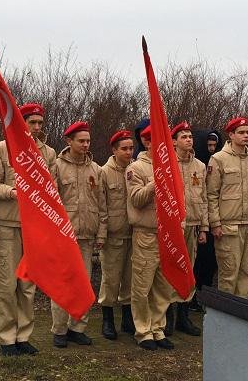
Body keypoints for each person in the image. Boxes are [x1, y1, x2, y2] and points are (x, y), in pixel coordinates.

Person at [0, 103, 57, 356]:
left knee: (27, 286)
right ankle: (7, 338)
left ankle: (23, 336)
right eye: (32, 122)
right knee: (7, 285)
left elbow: (53, 187)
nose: (37, 127)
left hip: (34, 226)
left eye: (40, 123)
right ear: (22, 122)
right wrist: (12, 192)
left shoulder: (48, 153)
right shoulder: (3, 148)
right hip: (8, 224)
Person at [51, 121, 107, 348]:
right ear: (69, 141)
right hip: (65, 236)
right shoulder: (56, 166)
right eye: (81, 141)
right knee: (63, 284)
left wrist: (101, 233)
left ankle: (78, 327)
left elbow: (102, 204)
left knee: (83, 284)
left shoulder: (96, 169)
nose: (85, 145)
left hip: (87, 235)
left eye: (88, 141)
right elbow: (51, 202)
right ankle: (60, 329)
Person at [126, 125, 175, 350]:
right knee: (142, 286)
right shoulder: (136, 167)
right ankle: (143, 330)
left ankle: (158, 328)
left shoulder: (171, 166)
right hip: (146, 233)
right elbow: (136, 199)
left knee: (163, 286)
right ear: (147, 142)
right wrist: (156, 182)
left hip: (167, 235)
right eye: (158, 141)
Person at [206, 117, 248, 298]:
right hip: (228, 225)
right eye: (241, 133)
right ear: (231, 135)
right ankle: (225, 319)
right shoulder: (218, 159)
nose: (246, 136)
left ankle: (240, 317)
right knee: (229, 273)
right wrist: (215, 223)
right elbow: (211, 194)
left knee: (247, 273)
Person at [169, 122, 207, 336]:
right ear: (174, 141)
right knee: (170, 268)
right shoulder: (166, 162)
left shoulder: (199, 166)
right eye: (183, 136)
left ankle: (183, 316)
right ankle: (167, 316)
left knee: (188, 271)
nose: (188, 140)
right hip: (173, 226)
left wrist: (204, 227)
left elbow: (203, 198)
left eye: (190, 136)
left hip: (192, 224)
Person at [99, 130, 135, 340]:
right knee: (111, 279)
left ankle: (127, 318)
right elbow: (101, 205)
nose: (129, 152)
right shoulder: (105, 172)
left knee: (130, 278)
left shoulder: (135, 169)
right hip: (113, 233)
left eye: (131, 148)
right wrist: (102, 234)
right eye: (124, 148)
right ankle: (107, 318)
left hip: (133, 232)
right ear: (114, 150)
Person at [191, 129, 222, 311]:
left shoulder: (216, 163)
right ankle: (193, 297)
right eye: (208, 145)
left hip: (213, 218)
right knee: (197, 262)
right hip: (199, 219)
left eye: (214, 145)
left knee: (210, 262)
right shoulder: (198, 166)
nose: (211, 149)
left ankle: (205, 295)